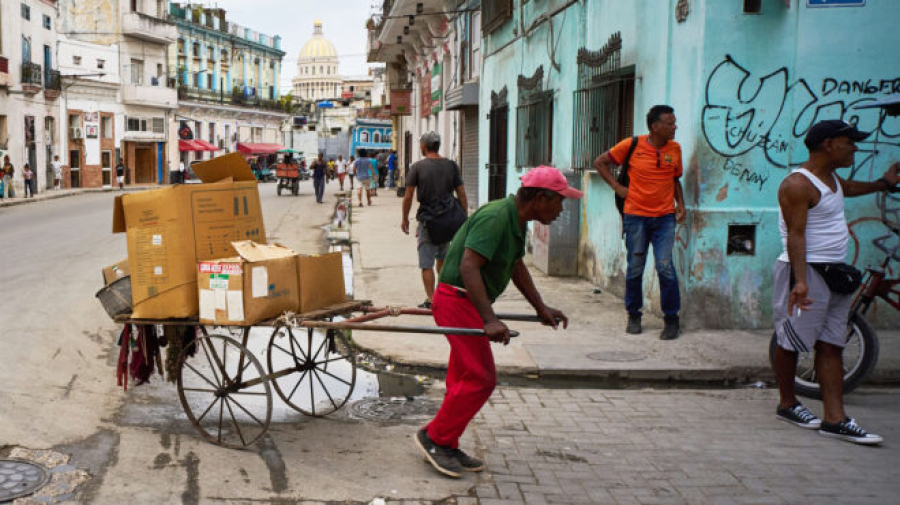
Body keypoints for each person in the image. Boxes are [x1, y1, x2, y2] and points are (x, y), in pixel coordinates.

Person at [414, 166, 579, 478]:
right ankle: (434, 438)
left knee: (463, 378)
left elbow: (516, 267)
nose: (561, 210)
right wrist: (489, 319)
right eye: (559, 202)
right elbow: (468, 266)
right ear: (541, 198)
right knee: (481, 378)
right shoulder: (496, 217)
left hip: (468, 302)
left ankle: (445, 441)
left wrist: (540, 307)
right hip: (456, 300)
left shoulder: (515, 220)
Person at [773, 120, 897, 446]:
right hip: (805, 271)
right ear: (829, 144)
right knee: (790, 342)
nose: (855, 148)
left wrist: (883, 183)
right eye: (849, 142)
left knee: (832, 344)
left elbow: (849, 188)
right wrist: (800, 282)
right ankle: (787, 404)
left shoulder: (830, 179)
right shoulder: (797, 185)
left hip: (835, 273)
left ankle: (835, 419)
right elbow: (796, 236)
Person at [592, 104, 686, 340]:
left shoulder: (675, 149)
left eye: (674, 123)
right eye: (670, 123)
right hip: (636, 217)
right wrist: (617, 187)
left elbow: (675, 179)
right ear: (655, 127)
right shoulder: (631, 145)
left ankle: (672, 319)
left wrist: (681, 204)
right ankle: (633, 315)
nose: (674, 127)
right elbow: (600, 162)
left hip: (665, 217)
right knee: (635, 269)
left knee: (665, 267)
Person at [401, 132, 469, 309]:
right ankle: (443, 294)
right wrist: (464, 218)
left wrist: (404, 219)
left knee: (426, 264)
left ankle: (432, 300)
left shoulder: (417, 167)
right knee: (443, 258)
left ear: (424, 146)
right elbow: (461, 193)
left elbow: (408, 196)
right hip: (449, 220)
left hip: (428, 221)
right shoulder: (451, 166)